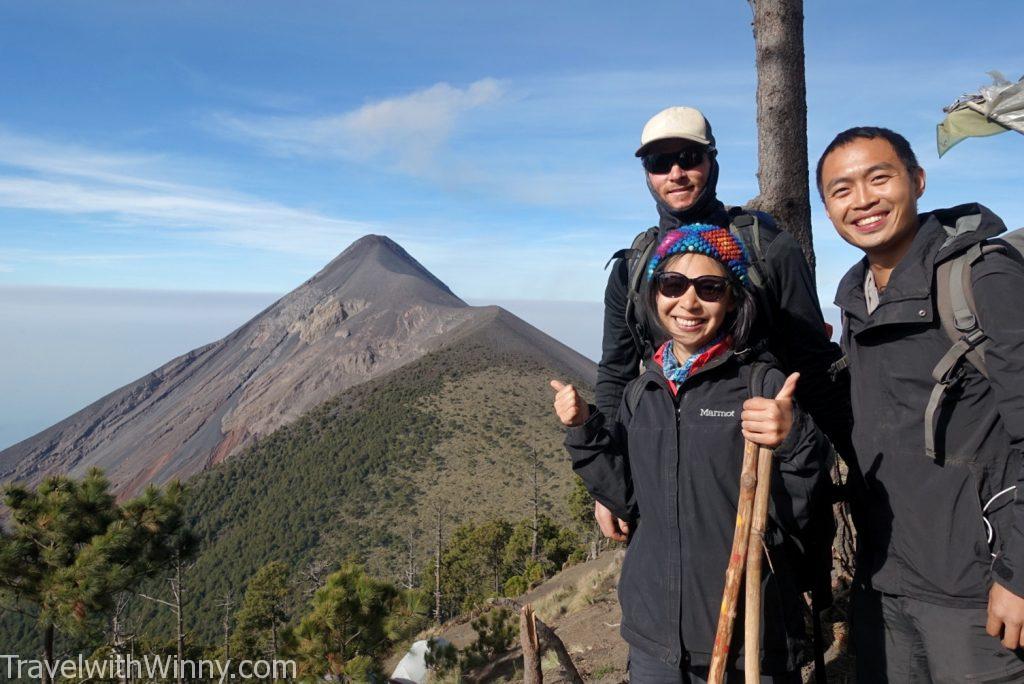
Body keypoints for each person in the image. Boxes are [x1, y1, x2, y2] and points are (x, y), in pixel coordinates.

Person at [551, 225, 833, 683]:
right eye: (673, 284)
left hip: (746, 642)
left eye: (710, 288)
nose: (688, 302)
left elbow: (799, 510)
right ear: (654, 294)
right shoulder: (644, 391)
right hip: (654, 642)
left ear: (733, 301)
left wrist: (796, 437)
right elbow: (628, 499)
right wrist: (583, 429)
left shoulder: (759, 386)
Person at [817, 126, 1024, 682]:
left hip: (976, 590)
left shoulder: (984, 276)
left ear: (917, 180)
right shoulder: (857, 299)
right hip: (885, 582)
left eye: (878, 178)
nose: (862, 200)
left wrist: (1019, 578)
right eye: (841, 190)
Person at [594, 106, 852, 544]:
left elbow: (813, 365)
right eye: (659, 163)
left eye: (689, 158)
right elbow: (616, 374)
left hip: (766, 476)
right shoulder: (633, 267)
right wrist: (608, 486)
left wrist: (859, 469)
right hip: (668, 478)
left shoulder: (768, 249)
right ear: (647, 175)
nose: (675, 173)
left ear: (712, 163)